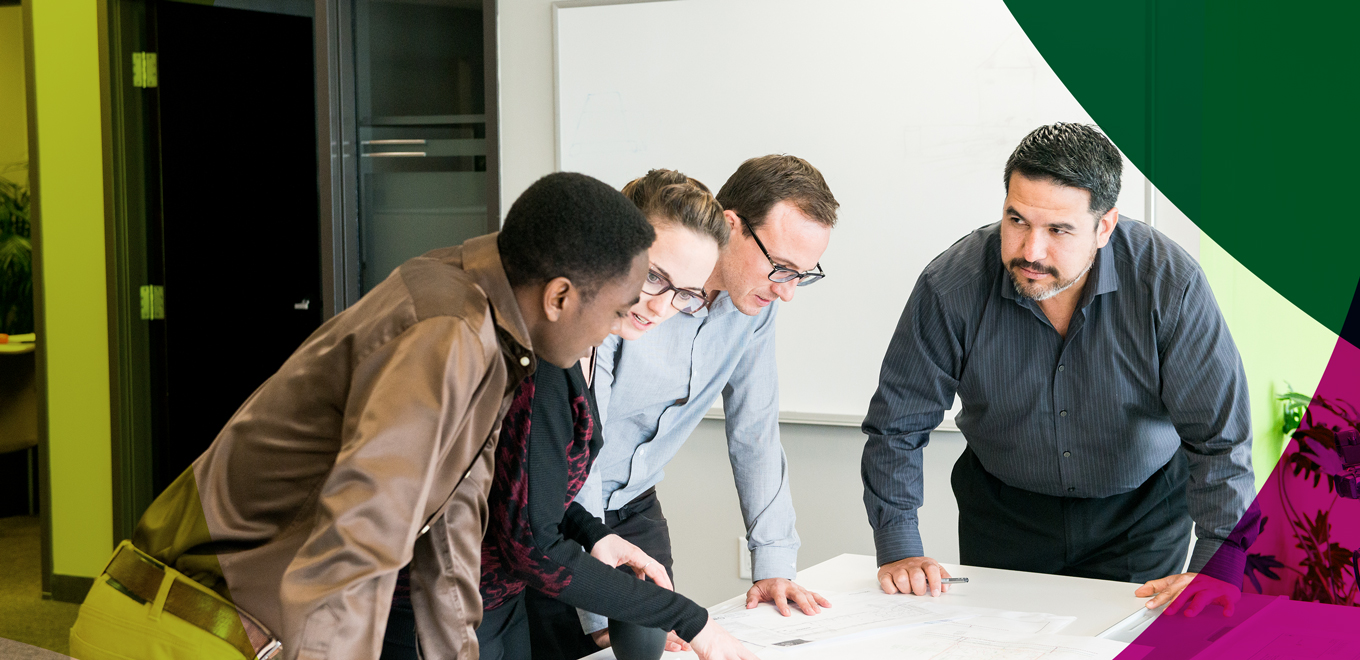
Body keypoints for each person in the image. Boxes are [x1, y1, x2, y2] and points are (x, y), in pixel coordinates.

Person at [69, 172, 655, 660]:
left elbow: (449, 536)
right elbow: (357, 544)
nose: (617, 329)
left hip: (232, 622)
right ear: (559, 297)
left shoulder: (490, 327)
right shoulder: (447, 333)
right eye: (620, 310)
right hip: (192, 624)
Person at [861, 123, 1255, 617]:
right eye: (1017, 220)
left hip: (1141, 514)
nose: (1030, 251)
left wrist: (1219, 561)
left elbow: (1219, 436)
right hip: (1004, 514)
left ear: (1105, 226)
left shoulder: (1168, 284)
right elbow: (897, 424)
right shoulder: (952, 286)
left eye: (1059, 230)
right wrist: (898, 543)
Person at [528, 155, 841, 660]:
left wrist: (774, 564)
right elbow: (577, 446)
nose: (785, 292)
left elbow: (755, 432)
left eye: (801, 276)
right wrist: (602, 614)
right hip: (562, 511)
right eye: (779, 267)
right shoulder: (631, 293)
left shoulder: (751, 308)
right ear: (732, 224)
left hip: (636, 507)